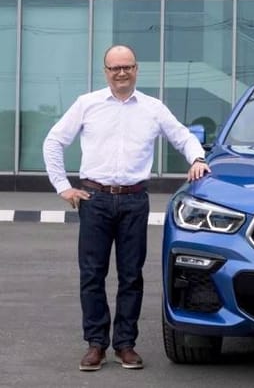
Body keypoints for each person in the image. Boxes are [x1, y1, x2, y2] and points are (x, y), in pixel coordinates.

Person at [42, 44, 210, 371]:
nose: (121, 73)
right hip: (95, 199)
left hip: (135, 201)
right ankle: (95, 344)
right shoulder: (87, 104)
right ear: (106, 71)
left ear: (136, 69)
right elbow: (54, 141)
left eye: (127, 67)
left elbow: (183, 137)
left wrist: (198, 159)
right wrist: (63, 186)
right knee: (92, 274)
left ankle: (125, 345)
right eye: (115, 68)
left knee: (131, 276)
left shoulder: (153, 108)